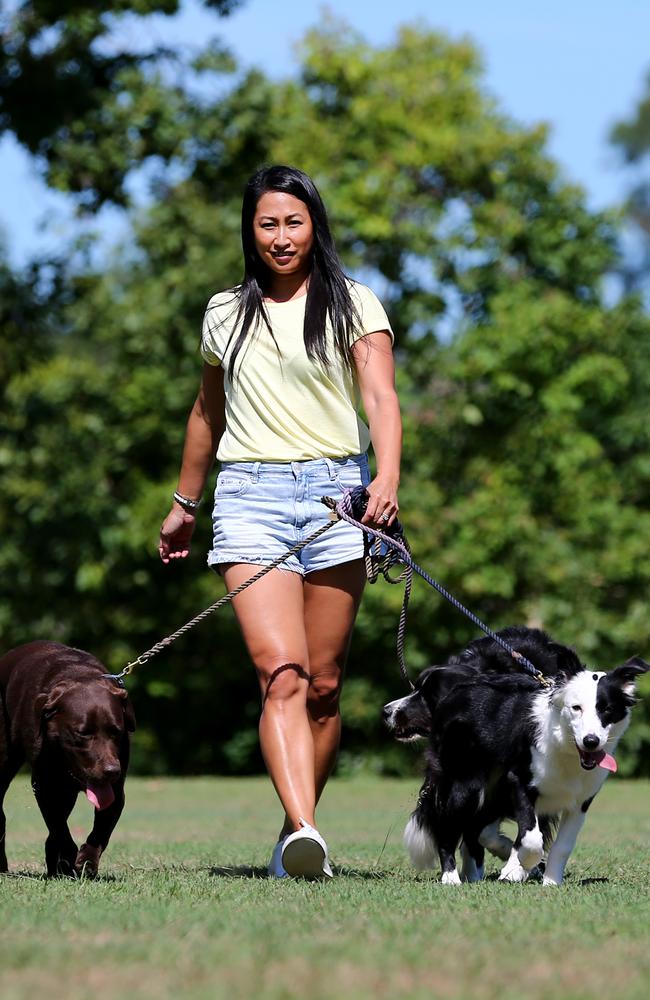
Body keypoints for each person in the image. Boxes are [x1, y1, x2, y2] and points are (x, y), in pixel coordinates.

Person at [159, 165, 401, 878]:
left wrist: (385, 477)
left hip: (336, 494)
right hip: (249, 498)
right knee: (283, 675)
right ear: (251, 231)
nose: (282, 236)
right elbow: (208, 411)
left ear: (314, 225)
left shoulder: (355, 303)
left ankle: (299, 829)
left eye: (294, 221)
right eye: (268, 223)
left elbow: (381, 399)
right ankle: (303, 831)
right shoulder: (225, 312)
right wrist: (183, 504)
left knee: (324, 686)